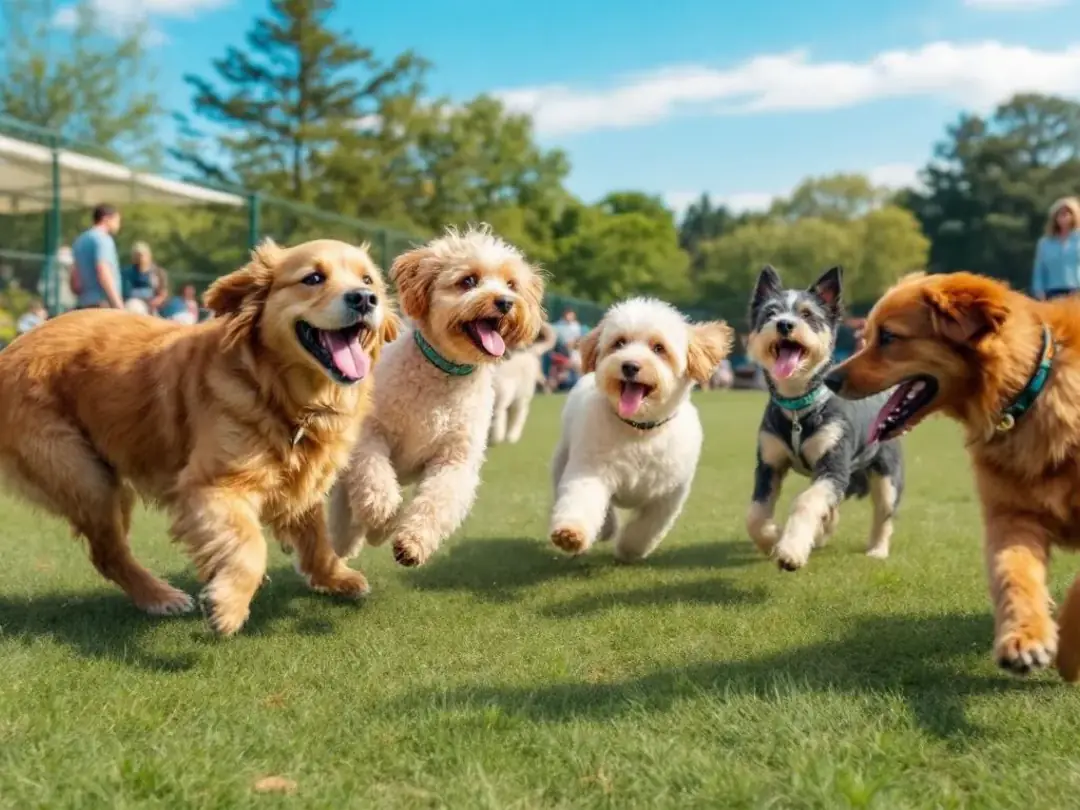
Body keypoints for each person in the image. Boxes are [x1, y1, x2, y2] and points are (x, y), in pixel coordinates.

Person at [71, 204, 123, 310]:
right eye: (117, 221)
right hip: (102, 304)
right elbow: (103, 271)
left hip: (83, 304)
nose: (118, 225)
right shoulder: (103, 239)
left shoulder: (80, 240)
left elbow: (75, 278)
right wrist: (117, 304)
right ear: (106, 219)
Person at [1032, 196, 1080, 301]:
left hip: (1076, 290)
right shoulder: (1045, 243)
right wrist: (1039, 291)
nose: (1064, 217)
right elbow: (1039, 269)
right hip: (1052, 292)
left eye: (1067, 214)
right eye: (1060, 214)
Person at [122, 242, 169, 315]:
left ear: (149, 255)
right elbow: (124, 294)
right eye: (137, 255)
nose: (140, 258)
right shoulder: (127, 273)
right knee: (133, 306)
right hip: (133, 306)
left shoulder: (158, 272)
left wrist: (154, 303)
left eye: (142, 255)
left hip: (153, 308)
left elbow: (163, 294)